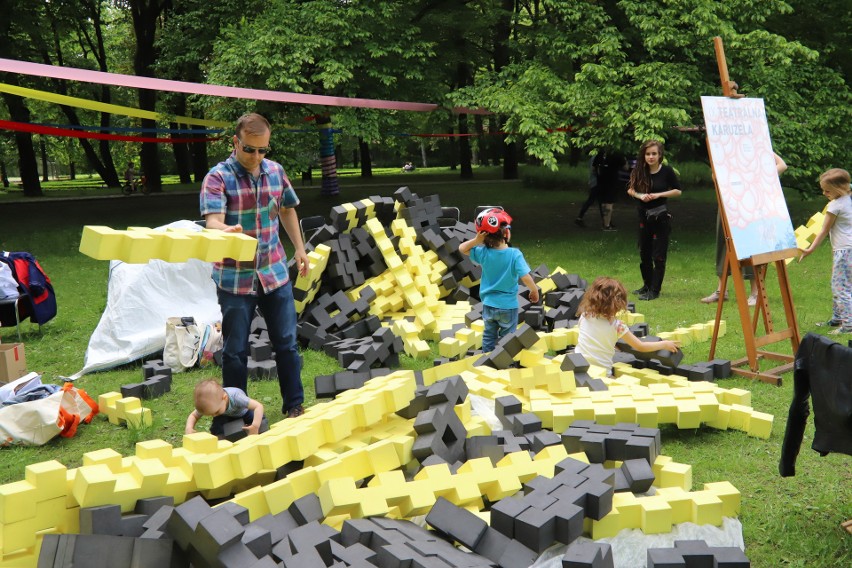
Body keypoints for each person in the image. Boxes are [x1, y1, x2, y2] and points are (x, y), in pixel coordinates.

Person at [200, 112, 310, 419]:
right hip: (235, 278)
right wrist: (225, 231)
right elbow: (212, 221)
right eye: (250, 149)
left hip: (274, 273)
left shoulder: (275, 172)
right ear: (236, 142)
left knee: (287, 343)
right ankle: (236, 415)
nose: (256, 156)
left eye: (263, 150)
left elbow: (287, 210)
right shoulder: (218, 177)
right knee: (235, 351)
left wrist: (299, 249)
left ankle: (294, 406)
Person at [701, 153, 788, 306]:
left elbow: (782, 165)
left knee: (750, 248)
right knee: (723, 245)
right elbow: (715, 177)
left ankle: (755, 293)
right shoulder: (727, 156)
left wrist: (763, 149)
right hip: (727, 206)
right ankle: (721, 291)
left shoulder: (756, 161)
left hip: (750, 209)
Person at [460, 207, 540, 352]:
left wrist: (477, 240)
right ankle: (504, 362)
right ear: (506, 232)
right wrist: (534, 291)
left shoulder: (483, 253)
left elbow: (462, 248)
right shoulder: (514, 254)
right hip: (508, 306)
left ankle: (486, 360)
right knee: (507, 339)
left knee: (489, 336)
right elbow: (526, 277)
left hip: (489, 304)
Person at [575, 276, 681, 374]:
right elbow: (641, 346)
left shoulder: (585, 316)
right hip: (602, 373)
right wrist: (664, 344)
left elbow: (591, 336)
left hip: (577, 367)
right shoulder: (617, 326)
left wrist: (611, 343)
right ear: (617, 305)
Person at [798, 168, 852, 335]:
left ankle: (848, 324)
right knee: (841, 284)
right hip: (847, 250)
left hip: (844, 251)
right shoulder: (848, 198)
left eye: (827, 190)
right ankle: (837, 318)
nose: (824, 193)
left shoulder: (835, 205)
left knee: (840, 287)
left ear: (838, 188)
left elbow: (823, 230)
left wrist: (810, 249)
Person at [626, 140, 681, 300]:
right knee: (644, 254)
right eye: (648, 154)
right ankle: (647, 285)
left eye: (654, 154)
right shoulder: (639, 171)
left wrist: (659, 194)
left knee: (658, 256)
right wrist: (640, 195)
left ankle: (655, 291)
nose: (651, 157)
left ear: (660, 155)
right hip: (643, 217)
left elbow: (678, 191)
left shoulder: (667, 171)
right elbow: (630, 189)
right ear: (644, 155)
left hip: (660, 218)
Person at [185, 379, 267, 436]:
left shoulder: (237, 397)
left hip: (244, 412)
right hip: (226, 415)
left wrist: (255, 426)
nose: (214, 415)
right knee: (217, 427)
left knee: (259, 420)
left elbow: (258, 406)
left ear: (224, 398)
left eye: (216, 412)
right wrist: (189, 428)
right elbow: (193, 415)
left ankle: (256, 430)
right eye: (211, 414)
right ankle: (221, 441)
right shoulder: (210, 403)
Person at [575, 151, 604, 228]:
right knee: (593, 200)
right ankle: (579, 217)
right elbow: (594, 170)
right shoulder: (596, 158)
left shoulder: (594, 157)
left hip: (594, 182)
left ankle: (606, 220)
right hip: (596, 182)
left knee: (598, 201)